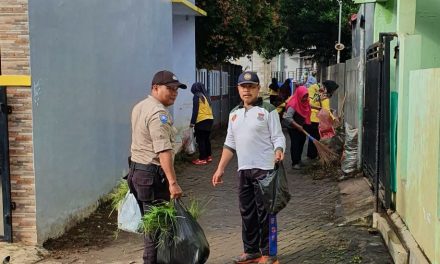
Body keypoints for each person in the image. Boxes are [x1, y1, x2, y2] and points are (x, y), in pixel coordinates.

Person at [212, 71, 285, 264]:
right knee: (247, 212)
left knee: (266, 212)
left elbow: (278, 136)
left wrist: (278, 149)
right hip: (243, 170)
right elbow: (230, 143)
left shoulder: (268, 110)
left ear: (258, 89)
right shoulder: (234, 114)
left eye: (251, 87)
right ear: (238, 89)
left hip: (265, 170)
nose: (247, 90)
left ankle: (269, 253)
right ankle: (251, 251)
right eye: (243, 87)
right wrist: (220, 169)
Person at [128, 70, 185, 264]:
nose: (174, 93)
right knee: (156, 230)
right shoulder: (158, 113)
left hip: (137, 173)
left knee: (151, 226)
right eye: (169, 89)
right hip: (151, 178)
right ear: (155, 88)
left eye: (176, 89)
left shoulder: (140, 106)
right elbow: (163, 151)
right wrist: (172, 182)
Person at [304, 80, 339, 160]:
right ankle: (312, 155)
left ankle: (313, 155)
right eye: (333, 90)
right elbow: (309, 103)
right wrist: (319, 98)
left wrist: (333, 118)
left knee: (316, 137)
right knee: (314, 137)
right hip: (311, 118)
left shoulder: (325, 95)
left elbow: (326, 108)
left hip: (319, 119)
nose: (333, 92)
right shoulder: (313, 89)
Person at [283, 86, 311, 170]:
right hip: (292, 126)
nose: (305, 98)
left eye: (306, 95)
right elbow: (287, 118)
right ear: (299, 95)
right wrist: (297, 126)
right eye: (303, 96)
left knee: (302, 141)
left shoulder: (305, 102)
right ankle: (295, 162)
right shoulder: (293, 104)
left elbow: (309, 106)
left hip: (301, 125)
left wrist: (317, 108)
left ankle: (299, 160)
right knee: (295, 143)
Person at [190, 82, 214, 165]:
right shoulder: (206, 96)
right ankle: (209, 156)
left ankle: (202, 159)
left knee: (201, 140)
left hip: (201, 120)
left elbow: (195, 110)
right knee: (206, 139)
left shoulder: (197, 96)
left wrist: (192, 123)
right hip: (210, 119)